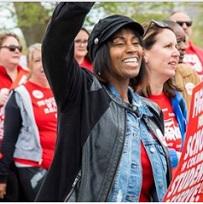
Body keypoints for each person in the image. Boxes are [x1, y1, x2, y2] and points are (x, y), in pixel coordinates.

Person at [36, 2, 171, 202]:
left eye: (136, 42)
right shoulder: (83, 94)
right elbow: (56, 45)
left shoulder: (151, 111)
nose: (131, 49)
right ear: (100, 52)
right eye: (119, 43)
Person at [0, 43, 57, 201]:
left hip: (58, 163)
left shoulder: (57, 90)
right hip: (32, 166)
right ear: (30, 65)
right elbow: (9, 139)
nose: (44, 64)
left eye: (46, 59)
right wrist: (2, 178)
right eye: (38, 60)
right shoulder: (20, 95)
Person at [136, 20, 187, 174]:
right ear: (144, 54)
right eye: (168, 46)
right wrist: (176, 157)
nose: (177, 53)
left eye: (176, 47)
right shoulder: (128, 102)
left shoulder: (177, 100)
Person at [163, 20, 200, 112]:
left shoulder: (189, 74)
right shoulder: (144, 84)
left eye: (184, 41)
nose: (184, 47)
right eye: (178, 42)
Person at [0, 33, 30, 144]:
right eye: (12, 48)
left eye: (19, 48)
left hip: (26, 144)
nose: (17, 51)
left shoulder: (29, 75)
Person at [169, 11, 203, 80]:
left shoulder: (201, 52)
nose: (184, 27)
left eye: (188, 24)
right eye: (179, 23)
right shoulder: (164, 52)